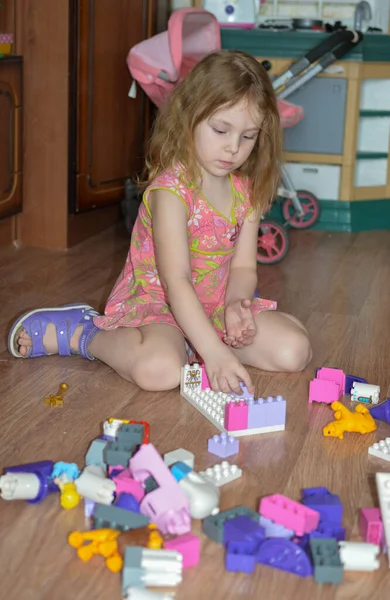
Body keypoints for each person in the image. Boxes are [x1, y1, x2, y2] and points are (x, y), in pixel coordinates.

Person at [8, 50, 312, 395]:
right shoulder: (171, 191)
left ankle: (192, 346)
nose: (233, 149)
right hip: (161, 303)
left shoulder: (248, 192)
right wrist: (214, 353)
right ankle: (85, 334)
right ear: (189, 118)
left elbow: (243, 268)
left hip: (213, 305)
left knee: (294, 351)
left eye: (248, 136)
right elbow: (176, 280)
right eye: (220, 130)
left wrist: (235, 304)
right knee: (161, 372)